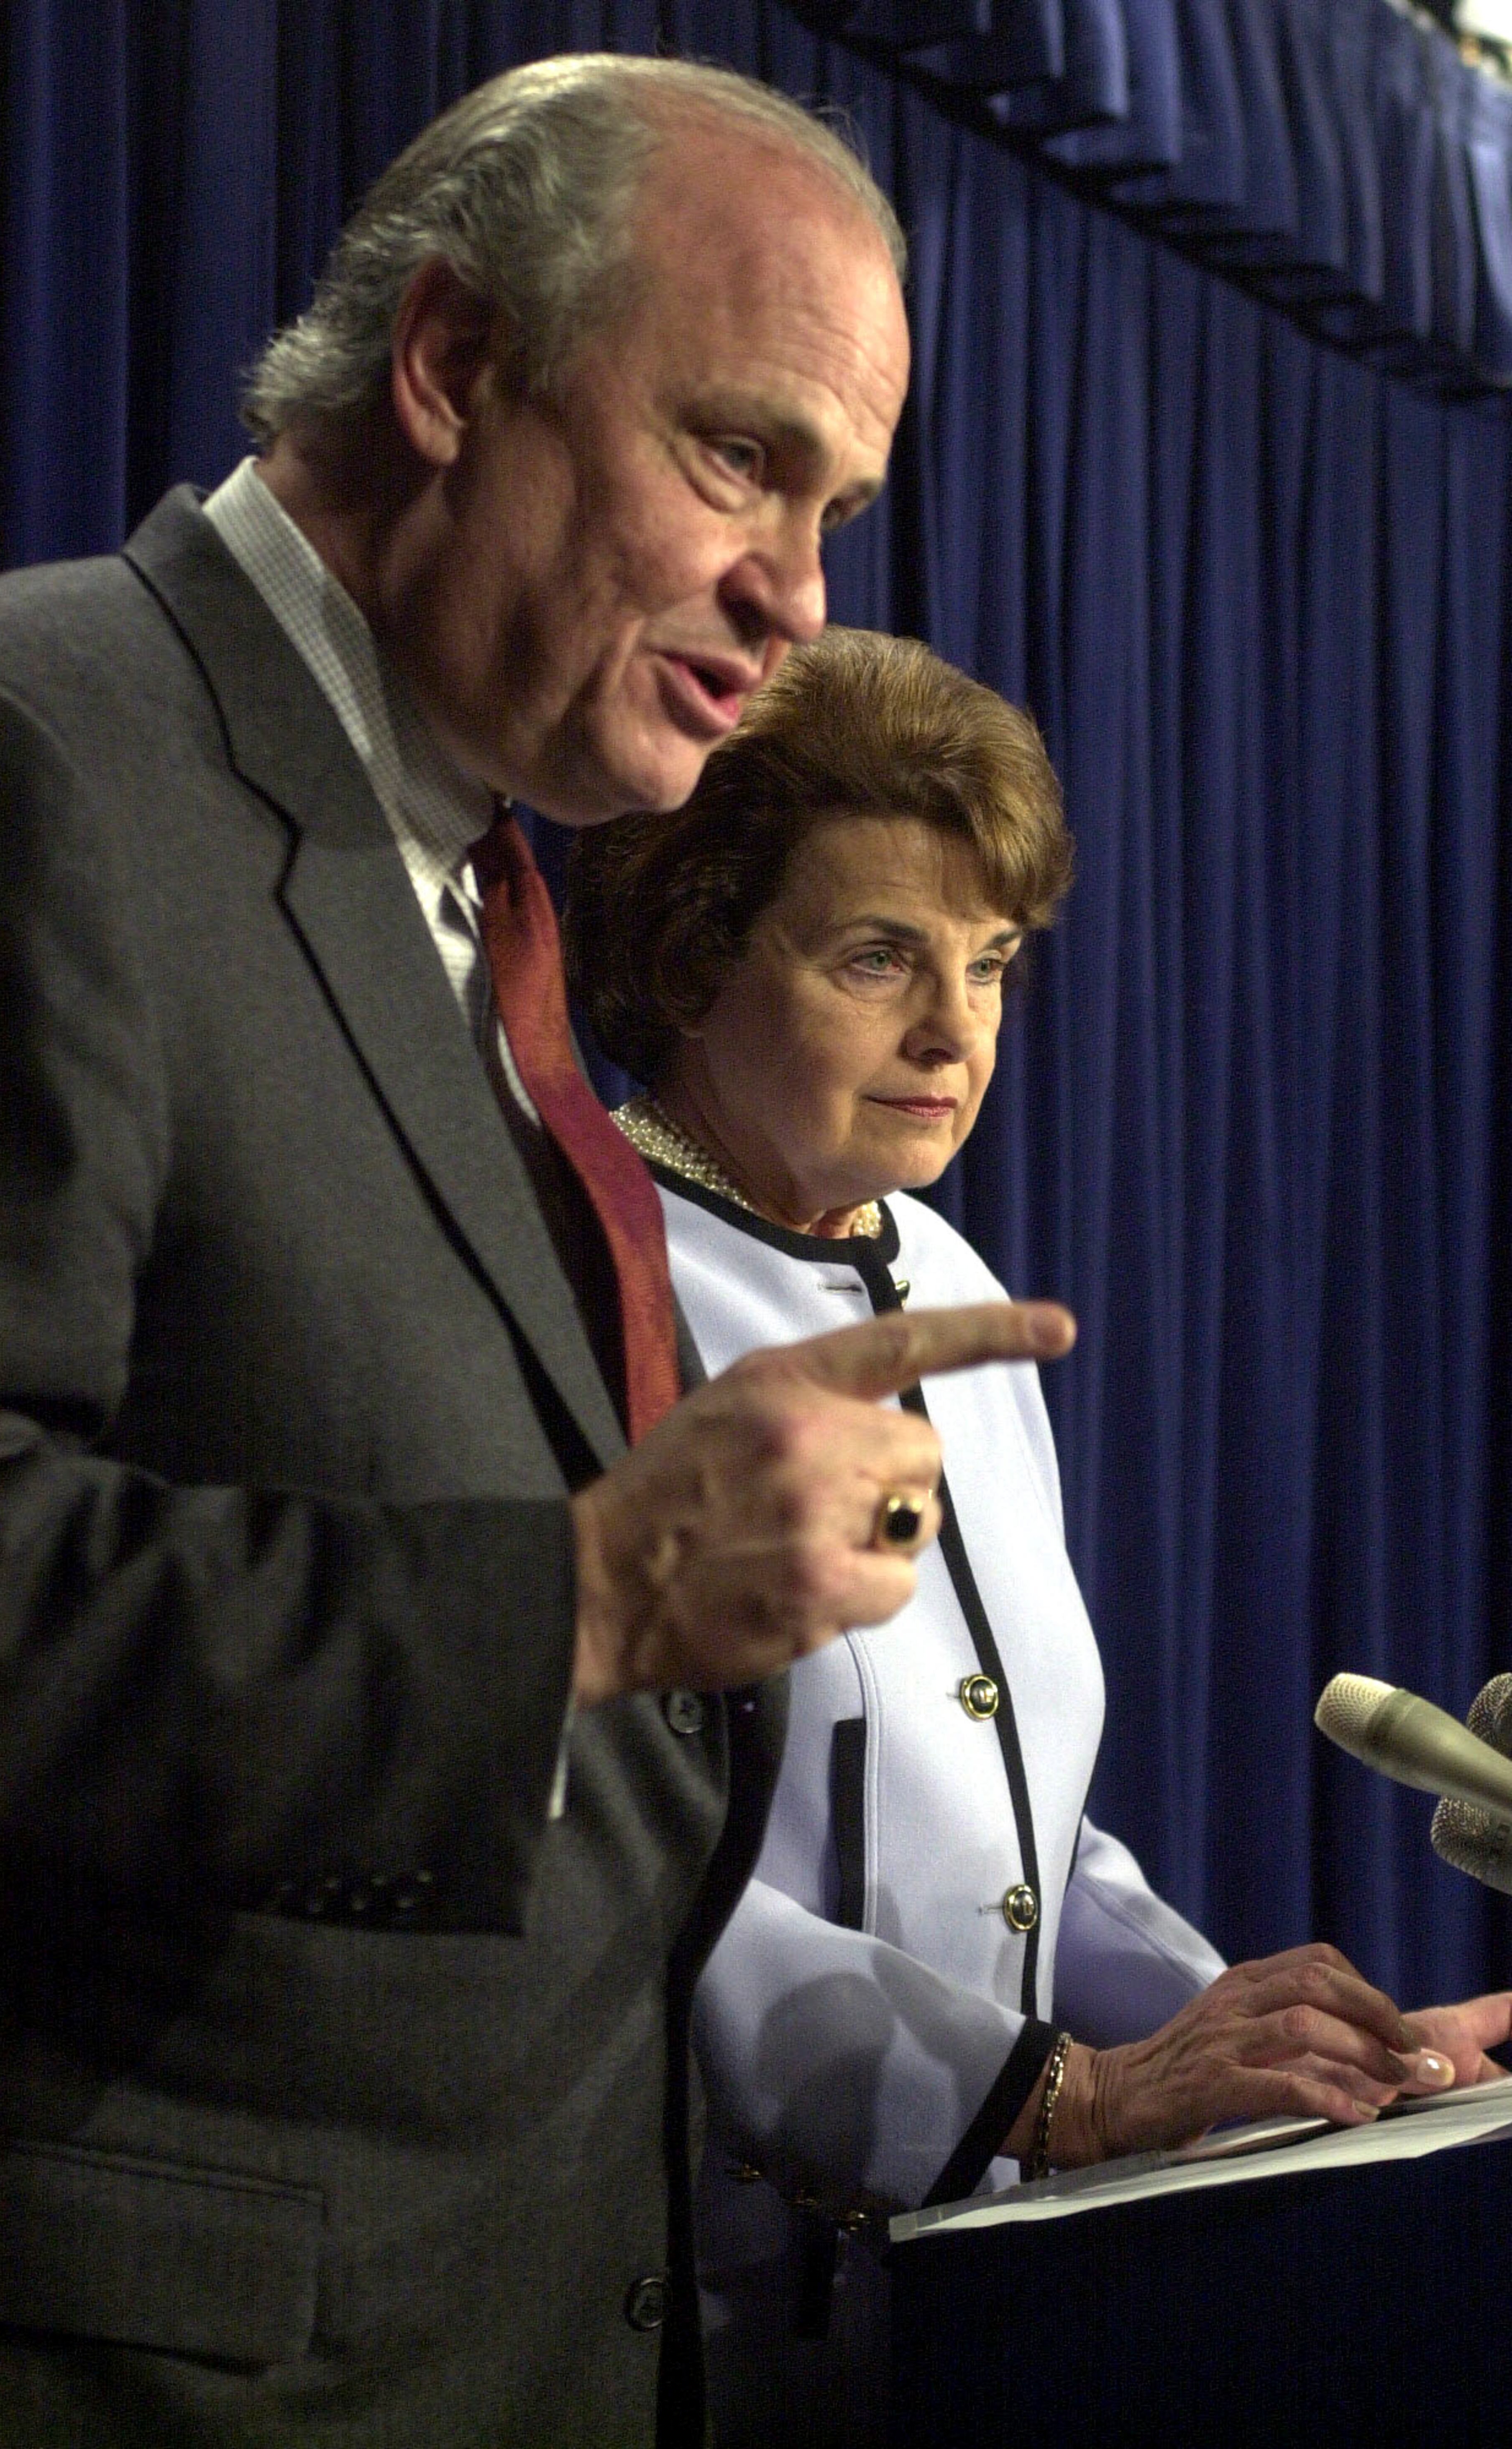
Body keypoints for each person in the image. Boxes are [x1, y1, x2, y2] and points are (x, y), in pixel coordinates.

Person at [0, 56, 1075, 2449]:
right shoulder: (21, 753)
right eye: (740, 460)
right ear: (450, 369)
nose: (798, 596)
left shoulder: (474, 896)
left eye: (838, 509)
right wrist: (585, 1602)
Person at [563, 625, 1512, 2446]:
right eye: (881, 960)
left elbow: (1029, 1841)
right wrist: (1054, 2094)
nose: (957, 1033)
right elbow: (622, 1874)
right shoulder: (588, 1285)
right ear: (691, 953)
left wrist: (1276, 2056)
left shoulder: (952, 1280)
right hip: (664, 2324)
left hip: (971, 2304)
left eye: (991, 966)